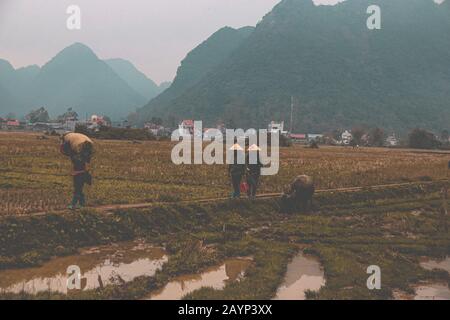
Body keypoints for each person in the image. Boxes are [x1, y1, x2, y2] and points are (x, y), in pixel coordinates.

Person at [60, 133, 93, 210]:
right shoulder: (82, 157)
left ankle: (73, 204)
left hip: (80, 174)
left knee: (77, 189)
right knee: (79, 189)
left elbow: (64, 150)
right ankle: (82, 203)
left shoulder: (78, 157)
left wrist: (77, 172)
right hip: (80, 173)